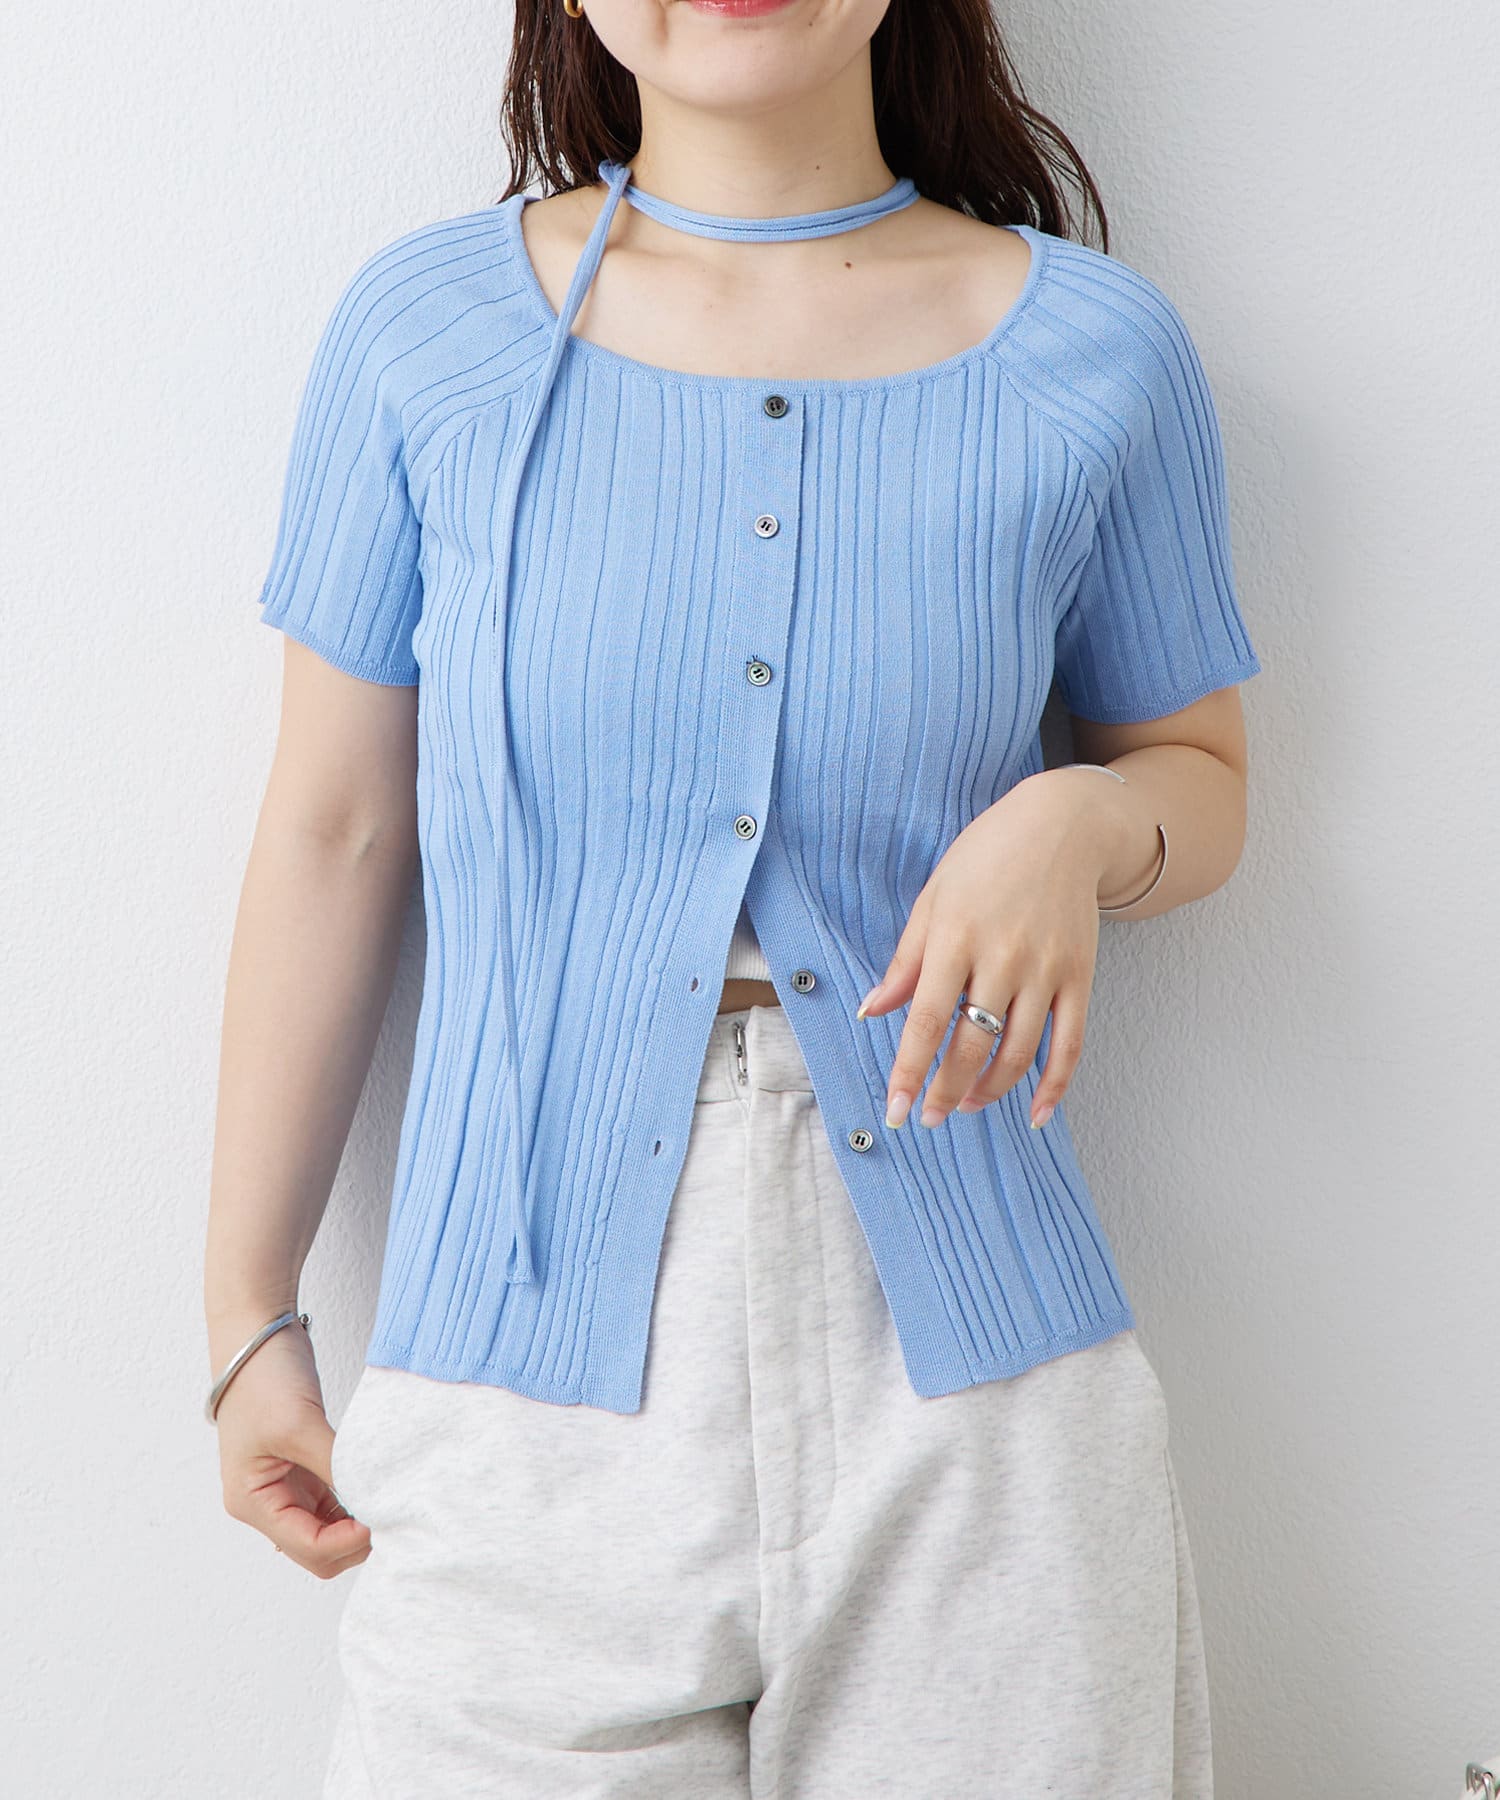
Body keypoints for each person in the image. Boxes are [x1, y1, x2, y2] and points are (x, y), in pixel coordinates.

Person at [204, 1, 1263, 1794]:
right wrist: (247, 1315)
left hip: (977, 1403)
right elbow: (334, 831)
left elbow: (1200, 775)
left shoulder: (1095, 351)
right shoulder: (428, 333)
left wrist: (1079, 818)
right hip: (518, 1382)